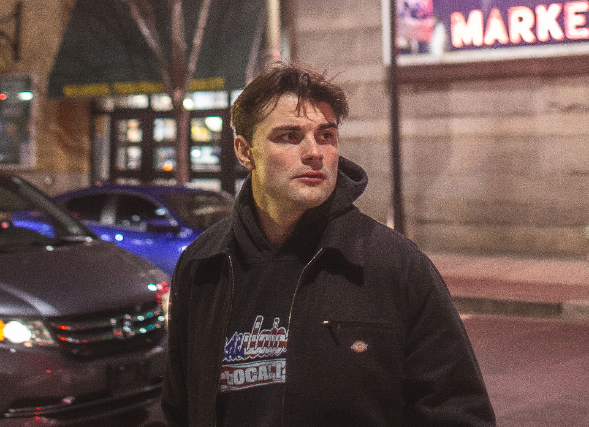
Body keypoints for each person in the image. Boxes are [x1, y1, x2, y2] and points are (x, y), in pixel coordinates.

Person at [161, 63, 496, 426]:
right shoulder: (203, 264)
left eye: (326, 136)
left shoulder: (394, 265)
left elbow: (458, 411)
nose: (314, 152)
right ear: (245, 152)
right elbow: (179, 408)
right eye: (289, 136)